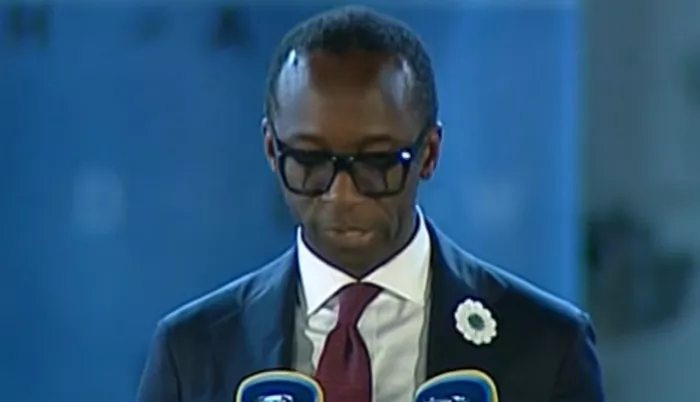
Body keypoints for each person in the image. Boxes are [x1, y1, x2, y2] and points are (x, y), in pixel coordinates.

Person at [137, 6, 604, 402]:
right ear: (271, 151)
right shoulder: (193, 351)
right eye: (309, 161)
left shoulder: (547, 346)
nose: (342, 195)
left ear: (429, 153)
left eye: (377, 162)